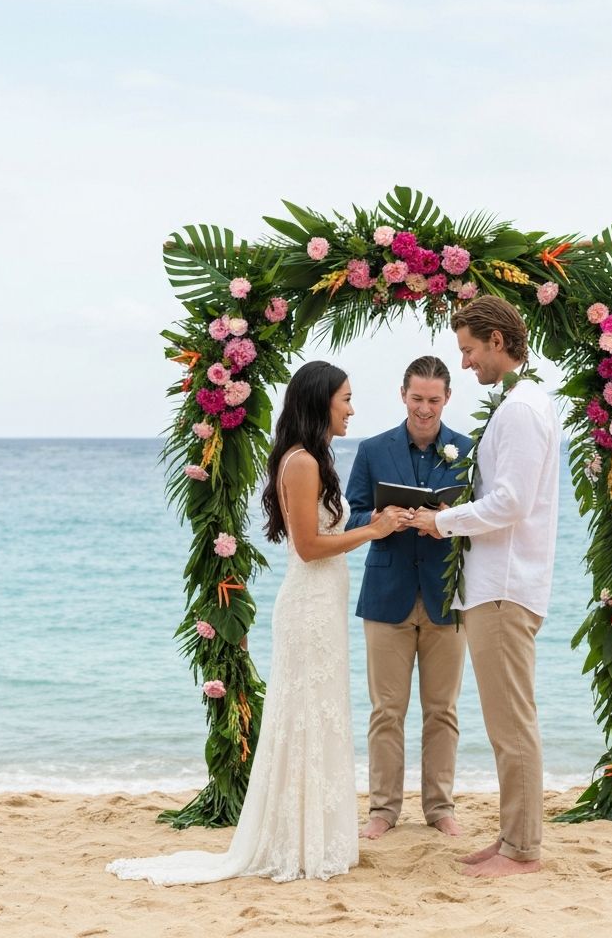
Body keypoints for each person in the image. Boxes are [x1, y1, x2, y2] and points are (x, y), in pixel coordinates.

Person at [106, 361, 413, 885]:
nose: (352, 409)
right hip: (309, 606)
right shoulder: (300, 463)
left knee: (321, 713)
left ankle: (316, 833)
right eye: (345, 399)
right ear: (321, 403)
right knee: (305, 714)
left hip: (323, 604)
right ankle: (297, 839)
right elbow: (309, 547)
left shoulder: (315, 458)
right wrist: (375, 531)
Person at [412, 296, 561, 878]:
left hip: (503, 588)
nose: (468, 364)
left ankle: (523, 850)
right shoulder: (521, 405)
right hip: (496, 585)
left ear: (498, 340)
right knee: (505, 725)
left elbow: (513, 502)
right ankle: (510, 839)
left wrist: (440, 520)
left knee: (512, 723)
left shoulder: (522, 409)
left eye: (470, 351)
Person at [345, 356, 473, 840]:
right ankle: (383, 809)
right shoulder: (373, 449)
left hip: (445, 593)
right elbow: (349, 515)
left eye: (433, 401)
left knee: (443, 710)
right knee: (386, 710)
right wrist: (382, 520)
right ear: (403, 395)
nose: (424, 409)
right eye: (417, 399)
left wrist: (448, 522)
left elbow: (481, 520)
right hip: (386, 593)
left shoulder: (467, 449)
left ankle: (440, 808)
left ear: (447, 399)